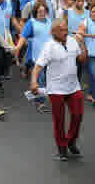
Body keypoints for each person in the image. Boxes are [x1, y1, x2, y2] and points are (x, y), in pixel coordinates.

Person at [30, 18, 87, 161]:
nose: (65, 32)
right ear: (53, 32)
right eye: (61, 30)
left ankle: (70, 141)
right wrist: (33, 81)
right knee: (59, 120)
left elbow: (82, 58)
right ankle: (62, 148)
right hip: (56, 89)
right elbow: (38, 67)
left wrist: (82, 42)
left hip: (73, 86)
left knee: (78, 115)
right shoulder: (49, 46)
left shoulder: (73, 41)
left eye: (66, 29)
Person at [14, 2, 52, 113]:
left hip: (50, 56)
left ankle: (36, 93)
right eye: (39, 11)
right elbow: (23, 36)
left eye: (44, 11)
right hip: (38, 56)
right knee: (40, 79)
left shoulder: (50, 22)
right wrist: (18, 47)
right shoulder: (32, 22)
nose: (42, 13)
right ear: (35, 12)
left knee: (47, 79)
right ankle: (40, 103)